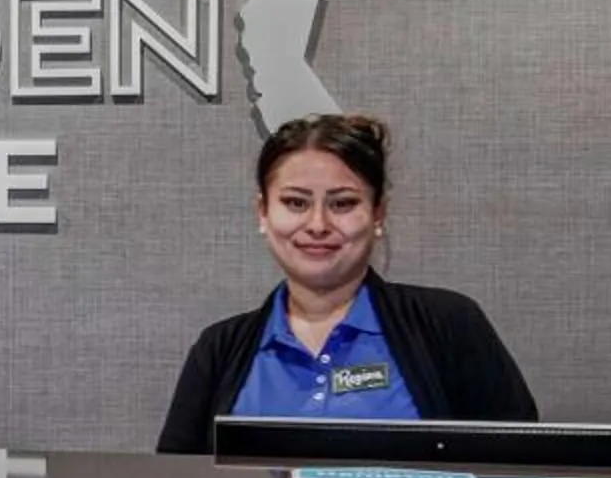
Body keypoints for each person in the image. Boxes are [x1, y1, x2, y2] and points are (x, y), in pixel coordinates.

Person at [156, 112, 533, 452]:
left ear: (378, 214)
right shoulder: (219, 350)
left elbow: (519, 469)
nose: (318, 225)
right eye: (296, 203)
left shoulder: (447, 325)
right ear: (263, 213)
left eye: (343, 204)